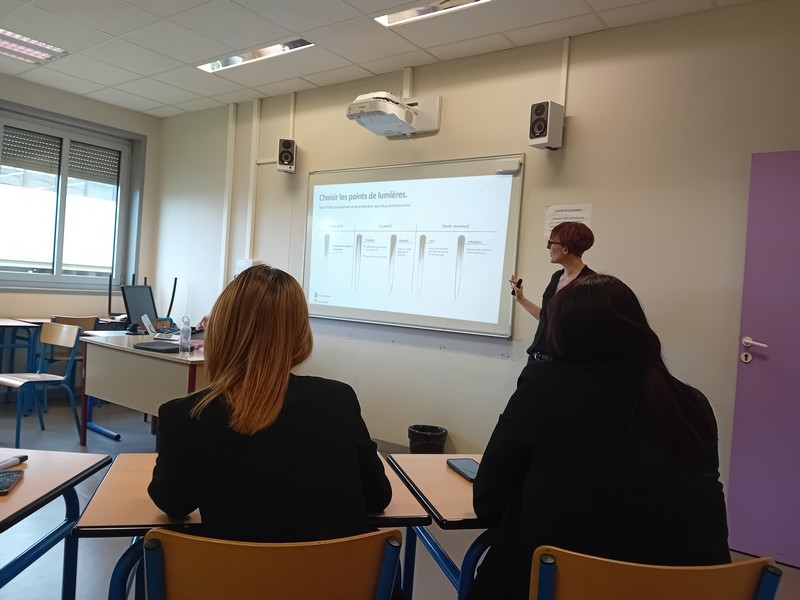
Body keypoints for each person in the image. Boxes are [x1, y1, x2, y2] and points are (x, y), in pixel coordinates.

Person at [469, 274, 730, 599]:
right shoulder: (691, 403)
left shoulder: (543, 388)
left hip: (562, 585)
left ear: (561, 333)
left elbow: (487, 502)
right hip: (694, 589)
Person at [148, 264, 392, 543]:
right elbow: (377, 497)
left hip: (227, 572)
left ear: (219, 330)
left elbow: (173, 503)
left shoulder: (184, 416)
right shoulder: (338, 400)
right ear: (300, 335)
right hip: (338, 572)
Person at [509, 221, 595, 363]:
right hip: (536, 360)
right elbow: (547, 317)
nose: (548, 248)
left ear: (565, 248)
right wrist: (521, 299)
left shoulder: (589, 284)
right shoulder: (557, 277)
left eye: (551, 243)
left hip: (563, 365)